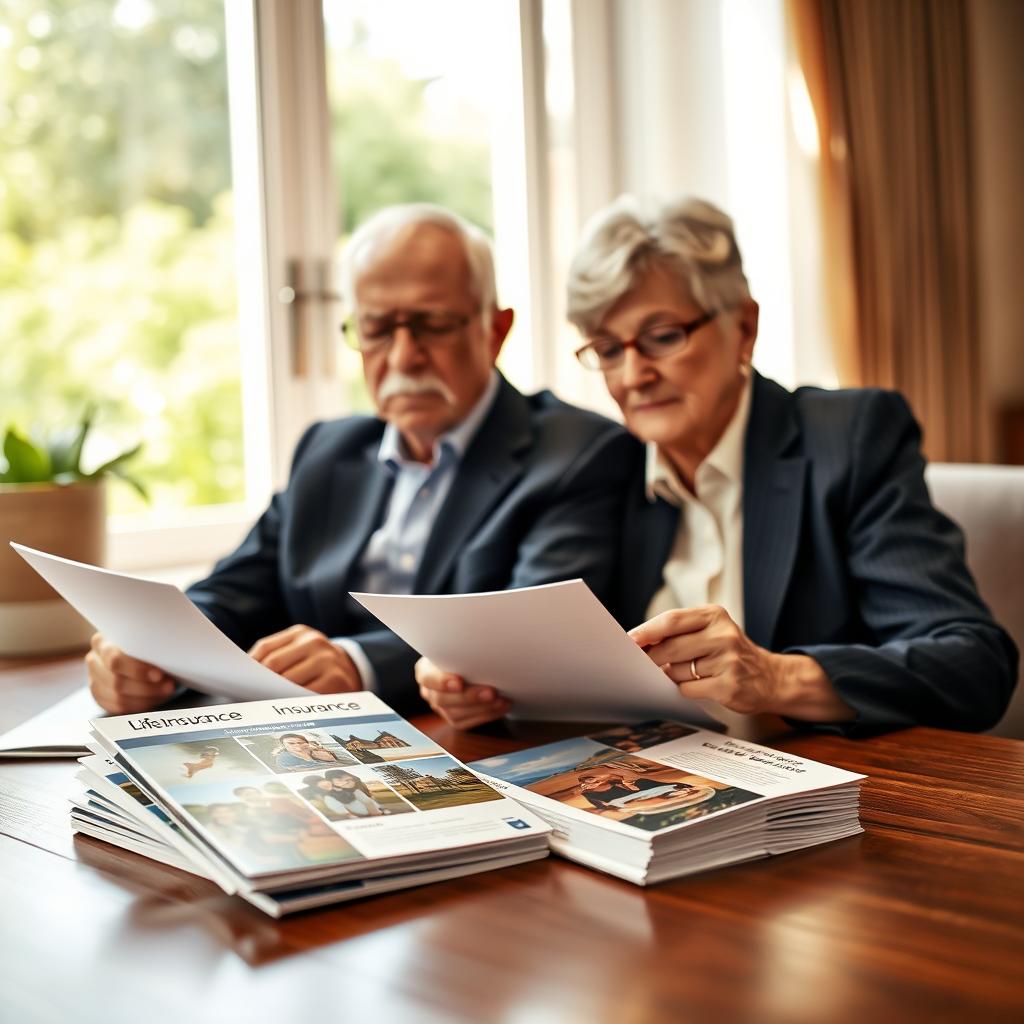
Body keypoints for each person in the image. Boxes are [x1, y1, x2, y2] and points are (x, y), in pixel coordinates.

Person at [418, 194, 1018, 736]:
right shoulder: (603, 463)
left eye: (661, 336)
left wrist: (779, 678)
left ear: (744, 328)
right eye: (606, 349)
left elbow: (973, 665)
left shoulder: (850, 439)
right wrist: (477, 684)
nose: (633, 376)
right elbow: (548, 642)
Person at [86, 203, 634, 716]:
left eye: (433, 324)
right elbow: (233, 590)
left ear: (494, 330)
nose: (402, 356)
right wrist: (147, 650)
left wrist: (358, 663)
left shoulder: (578, 454)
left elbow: (529, 632)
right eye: (375, 328)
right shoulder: (328, 449)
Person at [271, 733, 348, 770]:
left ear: (306, 743)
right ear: (283, 745)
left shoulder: (316, 751)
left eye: (300, 742)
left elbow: (336, 760)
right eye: (291, 743)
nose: (297, 745)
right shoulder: (284, 758)